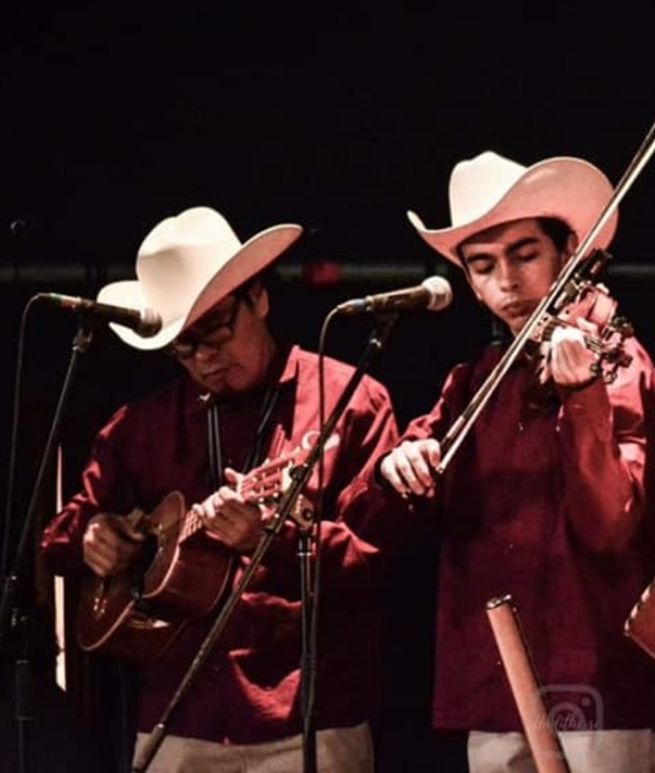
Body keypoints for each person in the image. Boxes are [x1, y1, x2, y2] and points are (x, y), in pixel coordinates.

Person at [39, 206, 405, 772]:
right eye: (183, 348)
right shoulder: (141, 425)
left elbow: (380, 557)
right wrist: (93, 535)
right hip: (178, 714)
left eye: (214, 331)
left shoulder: (348, 399)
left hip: (307, 715)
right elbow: (60, 536)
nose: (204, 358)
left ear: (258, 298)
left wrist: (271, 538)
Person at [375, 151, 655, 772]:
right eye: (484, 267)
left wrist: (584, 396)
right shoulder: (473, 381)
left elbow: (611, 525)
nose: (507, 283)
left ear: (568, 252)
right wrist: (400, 463)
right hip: (493, 673)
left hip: (594, 663)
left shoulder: (617, 361)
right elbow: (411, 463)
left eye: (524, 254)